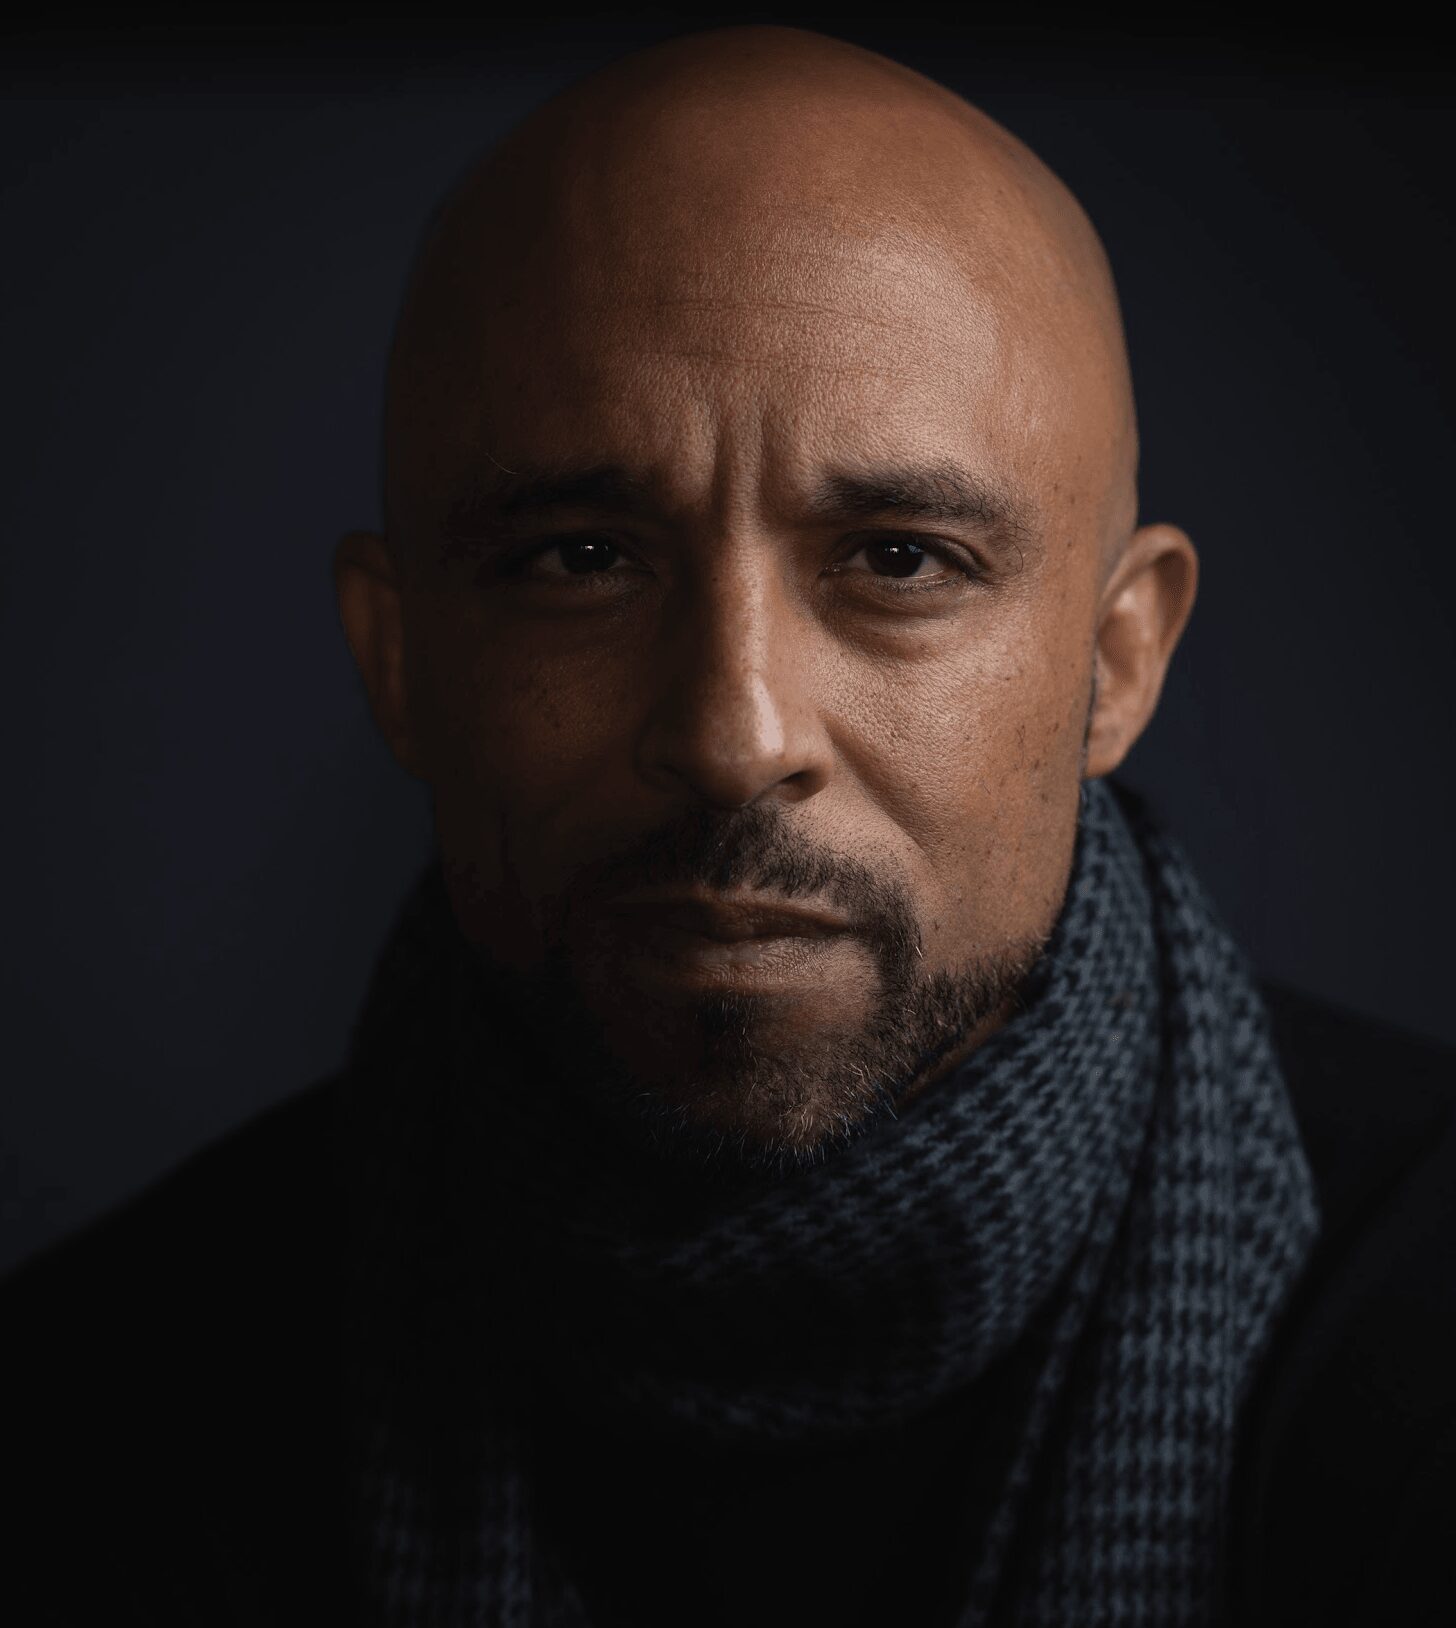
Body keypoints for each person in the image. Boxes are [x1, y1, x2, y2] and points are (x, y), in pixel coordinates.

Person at [7, 25, 1453, 1628]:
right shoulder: (87, 1428)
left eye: (898, 561)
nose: (730, 734)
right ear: (399, 662)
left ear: (1117, 663)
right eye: (580, 558)